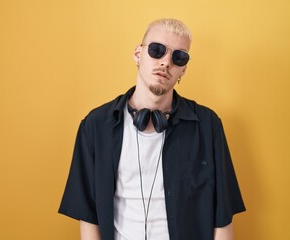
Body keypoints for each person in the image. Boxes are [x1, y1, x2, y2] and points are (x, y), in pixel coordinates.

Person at [59, 18, 246, 240]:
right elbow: (87, 214)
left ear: (183, 70)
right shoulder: (96, 125)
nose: (166, 62)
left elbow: (223, 215)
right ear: (138, 54)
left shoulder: (207, 125)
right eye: (157, 50)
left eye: (178, 57)